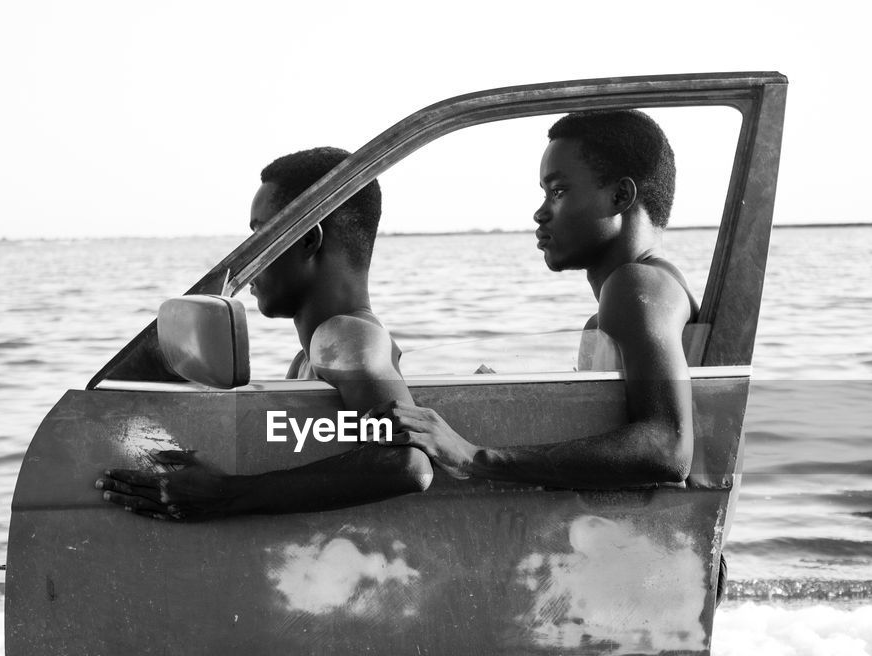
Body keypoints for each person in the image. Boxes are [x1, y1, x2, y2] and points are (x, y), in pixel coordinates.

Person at [96, 147, 431, 519]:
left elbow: (405, 464)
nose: (248, 258)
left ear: (307, 240)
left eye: (261, 234)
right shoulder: (308, 359)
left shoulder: (347, 337)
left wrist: (225, 496)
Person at [371, 110, 695, 489]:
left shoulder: (636, 286)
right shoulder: (629, 300)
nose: (540, 213)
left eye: (558, 192)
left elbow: (668, 447)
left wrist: (475, 457)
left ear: (620, 196)